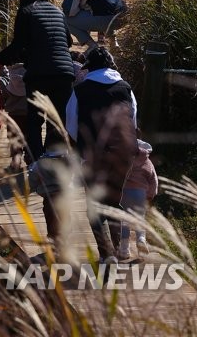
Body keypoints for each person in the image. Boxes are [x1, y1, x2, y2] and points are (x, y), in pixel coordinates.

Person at [66, 45, 138, 262]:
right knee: (114, 200)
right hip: (123, 153)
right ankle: (120, 249)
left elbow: (70, 124)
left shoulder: (80, 89)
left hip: (93, 154)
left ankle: (106, 254)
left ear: (89, 65)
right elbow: (133, 121)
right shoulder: (125, 88)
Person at [0, 0, 74, 161]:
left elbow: (18, 44)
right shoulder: (57, 11)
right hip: (64, 73)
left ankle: (36, 159)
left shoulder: (26, 11)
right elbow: (68, 42)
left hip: (38, 74)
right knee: (57, 118)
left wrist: (0, 60)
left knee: (35, 119)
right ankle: (54, 157)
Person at [119, 139, 158, 258]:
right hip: (141, 193)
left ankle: (124, 250)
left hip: (124, 192)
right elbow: (153, 179)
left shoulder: (124, 159)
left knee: (125, 220)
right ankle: (141, 239)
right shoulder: (147, 161)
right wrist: (151, 194)